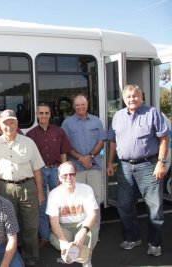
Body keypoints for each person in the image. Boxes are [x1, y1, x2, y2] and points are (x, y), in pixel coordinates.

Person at [106, 84, 170, 256]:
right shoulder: (118, 117)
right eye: (128, 96)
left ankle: (154, 243)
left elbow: (164, 139)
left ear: (141, 97)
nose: (132, 99)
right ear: (123, 98)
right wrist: (110, 163)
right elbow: (113, 142)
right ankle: (132, 238)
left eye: (135, 96)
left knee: (154, 208)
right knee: (125, 205)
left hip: (148, 166)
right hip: (125, 167)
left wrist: (161, 162)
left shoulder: (152, 113)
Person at [0, 109, 44, 267]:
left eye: (12, 122)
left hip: (28, 187)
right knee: (7, 226)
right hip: (4, 188)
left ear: (16, 124)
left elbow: (37, 169)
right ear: (0, 124)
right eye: (5, 123)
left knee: (31, 225)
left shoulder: (28, 142)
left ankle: (31, 258)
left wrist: (40, 192)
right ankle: (11, 256)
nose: (9, 126)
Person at [26, 102, 73, 247]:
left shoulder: (59, 131)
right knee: (42, 204)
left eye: (46, 113)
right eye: (41, 113)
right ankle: (45, 236)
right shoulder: (30, 135)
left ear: (50, 115)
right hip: (39, 171)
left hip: (56, 170)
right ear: (37, 115)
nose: (44, 116)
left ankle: (59, 234)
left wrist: (63, 171)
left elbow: (63, 152)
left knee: (59, 203)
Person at [61, 94, 106, 226]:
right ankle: (80, 231)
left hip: (94, 167)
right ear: (73, 107)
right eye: (77, 105)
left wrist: (89, 157)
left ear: (87, 105)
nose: (80, 107)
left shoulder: (96, 121)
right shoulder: (67, 123)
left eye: (83, 104)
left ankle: (95, 232)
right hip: (75, 169)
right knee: (77, 201)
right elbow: (66, 146)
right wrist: (81, 158)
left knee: (95, 199)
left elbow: (101, 141)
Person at [46, 161, 98, 267]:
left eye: (72, 174)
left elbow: (93, 214)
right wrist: (63, 241)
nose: (69, 178)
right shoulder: (53, 194)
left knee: (90, 233)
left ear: (75, 175)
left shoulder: (86, 189)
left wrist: (83, 231)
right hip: (64, 227)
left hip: (82, 223)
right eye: (65, 175)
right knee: (55, 240)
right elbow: (54, 221)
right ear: (59, 177)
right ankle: (71, 253)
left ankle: (85, 260)